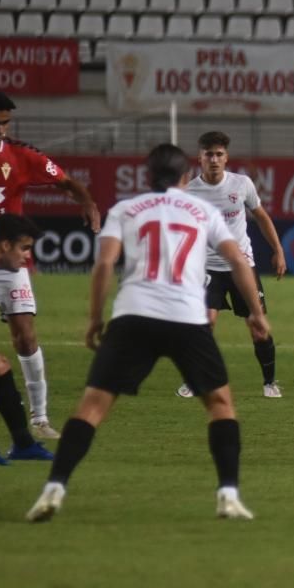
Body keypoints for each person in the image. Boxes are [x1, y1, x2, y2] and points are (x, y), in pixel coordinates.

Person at [26, 144, 267, 522]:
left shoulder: (126, 209)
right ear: (186, 176)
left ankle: (54, 487)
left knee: (91, 407)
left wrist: (94, 320)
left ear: (147, 176)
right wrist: (255, 312)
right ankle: (228, 495)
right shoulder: (203, 210)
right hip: (187, 317)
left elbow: (104, 264)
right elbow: (238, 260)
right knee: (220, 405)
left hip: (133, 315)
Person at [0, 89, 101, 440]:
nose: (0, 130)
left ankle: (40, 419)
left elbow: (66, 182)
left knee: (26, 335)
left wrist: (87, 203)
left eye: (5, 123)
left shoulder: (20, 156)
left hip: (5, 262)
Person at [175, 131, 286, 400]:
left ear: (226, 158)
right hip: (207, 268)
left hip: (242, 267)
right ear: (199, 158)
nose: (214, 159)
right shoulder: (189, 191)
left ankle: (269, 382)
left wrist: (278, 251)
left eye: (219, 154)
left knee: (257, 328)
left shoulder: (241, 184)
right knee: (205, 323)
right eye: (208, 154)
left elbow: (261, 216)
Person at [0, 215, 54, 465]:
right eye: (25, 248)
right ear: (5, 245)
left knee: (0, 365)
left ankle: (23, 444)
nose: (28, 256)